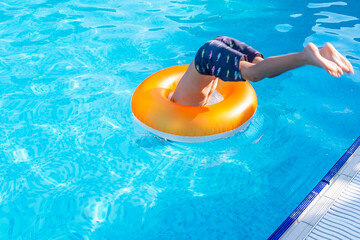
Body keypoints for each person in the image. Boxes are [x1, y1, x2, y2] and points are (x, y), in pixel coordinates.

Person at [171, 36, 354, 106]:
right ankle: (322, 52)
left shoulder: (176, 111)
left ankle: (306, 56)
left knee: (253, 74)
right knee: (267, 70)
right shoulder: (180, 95)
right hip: (215, 48)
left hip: (207, 58)